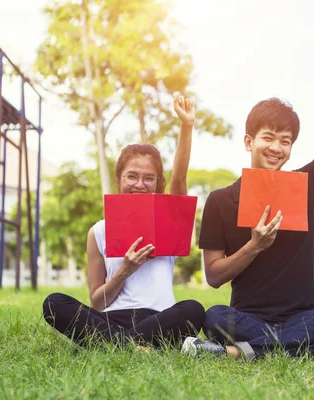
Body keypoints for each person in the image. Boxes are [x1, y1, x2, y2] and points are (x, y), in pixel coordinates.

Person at [183, 38, 314, 360]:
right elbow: (214, 277)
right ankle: (306, 345)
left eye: (285, 141)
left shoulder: (306, 183)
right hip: (247, 317)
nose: (276, 148)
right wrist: (254, 246)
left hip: (303, 315)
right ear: (248, 141)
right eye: (267, 138)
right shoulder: (220, 200)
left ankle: (241, 353)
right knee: (213, 315)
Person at [42, 95, 205, 348]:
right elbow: (97, 303)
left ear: (158, 184)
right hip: (112, 319)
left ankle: (115, 345)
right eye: (132, 176)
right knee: (53, 303)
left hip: (158, 317)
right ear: (119, 179)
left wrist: (187, 126)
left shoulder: (167, 220)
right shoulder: (98, 231)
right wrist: (124, 271)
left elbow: (180, 178)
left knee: (193, 308)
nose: (139, 184)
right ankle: (137, 346)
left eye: (149, 178)